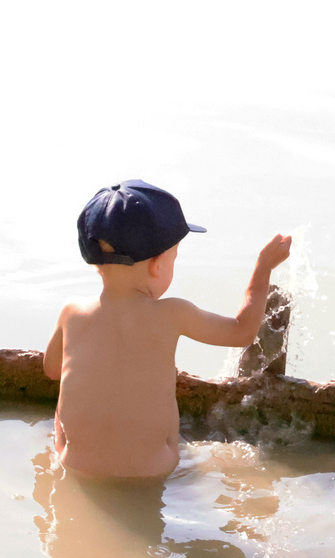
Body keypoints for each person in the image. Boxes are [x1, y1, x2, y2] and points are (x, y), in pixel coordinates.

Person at [42, 179, 290, 479]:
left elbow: (52, 370)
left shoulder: (71, 312)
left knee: (62, 414)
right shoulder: (173, 313)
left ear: (95, 263)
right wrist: (263, 267)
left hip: (76, 465)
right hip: (151, 472)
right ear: (158, 266)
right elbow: (242, 331)